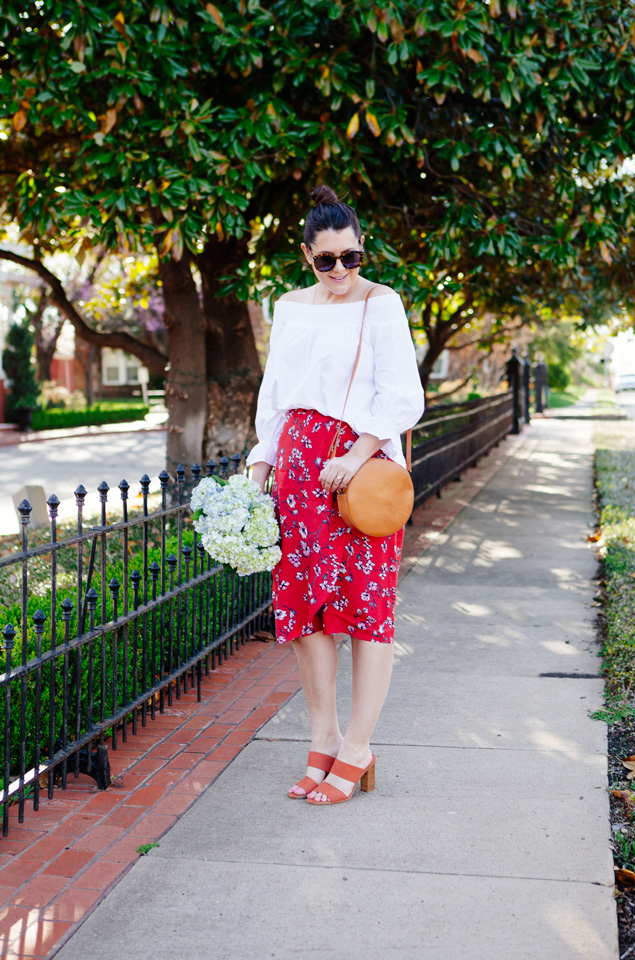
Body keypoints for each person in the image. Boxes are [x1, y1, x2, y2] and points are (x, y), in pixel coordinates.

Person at [247, 185, 424, 806]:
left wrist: (354, 453)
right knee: (307, 614)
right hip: (298, 474)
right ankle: (321, 740)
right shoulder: (291, 308)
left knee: (368, 610)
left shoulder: (382, 304)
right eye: (328, 261)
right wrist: (261, 462)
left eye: (352, 257)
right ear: (306, 256)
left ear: (362, 249)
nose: (342, 271)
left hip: (363, 472)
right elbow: (276, 394)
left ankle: (357, 747)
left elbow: (404, 395)